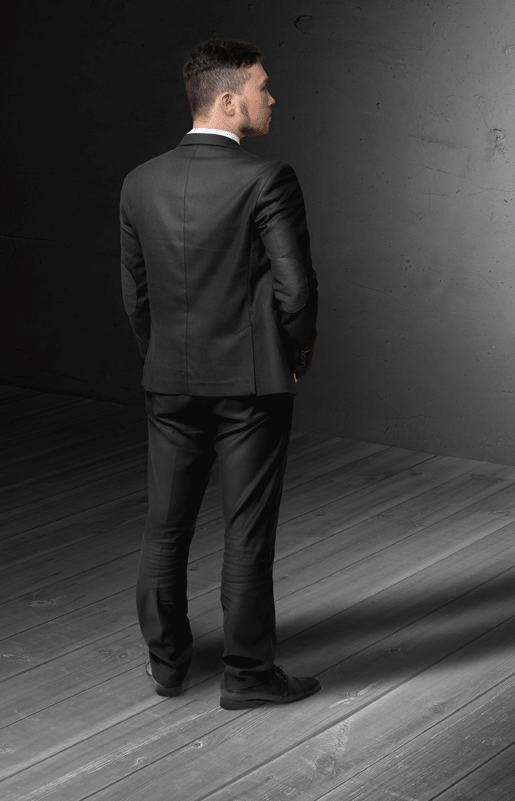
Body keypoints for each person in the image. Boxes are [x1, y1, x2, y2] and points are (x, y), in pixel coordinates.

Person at [119, 38, 321, 709]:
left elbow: (137, 298)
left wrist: (163, 359)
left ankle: (168, 665)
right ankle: (247, 675)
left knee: (165, 526)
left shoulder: (138, 181)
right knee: (247, 529)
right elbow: (295, 291)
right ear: (230, 101)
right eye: (263, 87)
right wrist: (293, 359)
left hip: (169, 380)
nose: (272, 97)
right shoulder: (267, 179)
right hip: (251, 384)